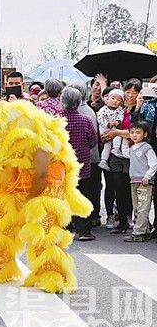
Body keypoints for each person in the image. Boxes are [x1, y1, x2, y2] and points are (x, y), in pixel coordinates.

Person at [101, 83, 140, 233]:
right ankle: (122, 220)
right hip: (116, 154)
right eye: (128, 92)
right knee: (119, 187)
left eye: (134, 92)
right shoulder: (120, 110)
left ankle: (133, 219)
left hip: (133, 153)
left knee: (132, 188)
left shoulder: (138, 111)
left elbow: (135, 132)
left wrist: (116, 133)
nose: (130, 95)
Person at [60, 88, 98, 240]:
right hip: (82, 164)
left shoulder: (56, 120)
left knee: (64, 196)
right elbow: (94, 142)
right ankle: (84, 230)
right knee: (83, 195)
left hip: (62, 165)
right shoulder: (86, 120)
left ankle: (66, 228)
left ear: (63, 102)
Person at [123, 121, 157, 242]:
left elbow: (154, 163)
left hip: (144, 182)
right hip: (134, 181)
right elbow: (124, 153)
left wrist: (148, 176)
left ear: (145, 134)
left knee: (143, 206)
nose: (134, 135)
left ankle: (138, 232)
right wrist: (125, 141)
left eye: (138, 132)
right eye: (132, 133)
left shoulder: (146, 148)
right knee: (137, 207)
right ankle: (145, 229)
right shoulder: (132, 148)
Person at [97, 89, 127, 171]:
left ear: (121, 102)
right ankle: (113, 151)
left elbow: (120, 116)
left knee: (115, 137)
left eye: (118, 100)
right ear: (108, 99)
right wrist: (108, 124)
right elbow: (100, 119)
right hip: (105, 128)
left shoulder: (120, 109)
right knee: (110, 140)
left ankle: (105, 159)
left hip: (114, 127)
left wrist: (118, 121)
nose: (115, 101)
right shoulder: (103, 109)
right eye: (113, 98)